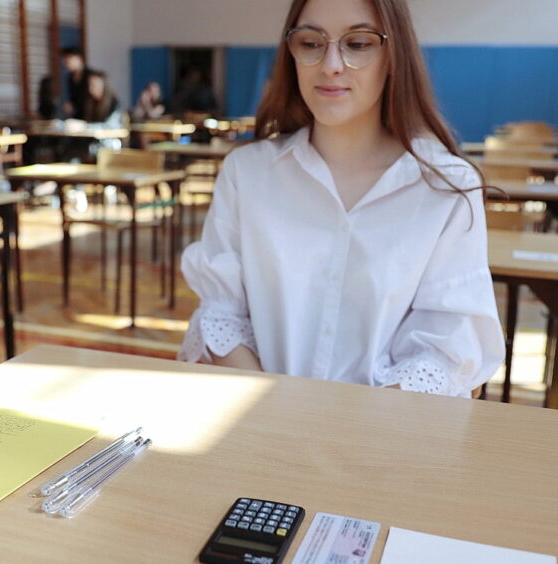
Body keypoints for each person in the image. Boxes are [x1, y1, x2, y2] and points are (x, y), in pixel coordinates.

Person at [178, 0, 505, 398]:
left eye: (359, 43)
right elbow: (220, 313)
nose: (331, 63)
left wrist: (342, 433)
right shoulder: (247, 173)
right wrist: (276, 413)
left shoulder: (446, 189)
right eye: (311, 42)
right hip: (261, 431)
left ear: (392, 54)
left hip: (383, 443)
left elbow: (447, 350)